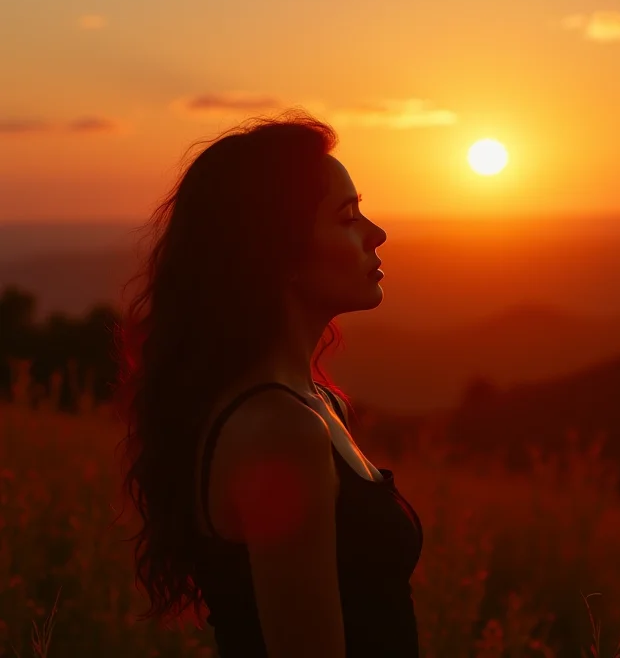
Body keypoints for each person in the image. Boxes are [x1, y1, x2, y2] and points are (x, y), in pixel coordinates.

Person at [114, 108, 423, 657]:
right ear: (279, 252)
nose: (377, 234)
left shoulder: (317, 404)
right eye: (348, 217)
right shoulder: (278, 430)